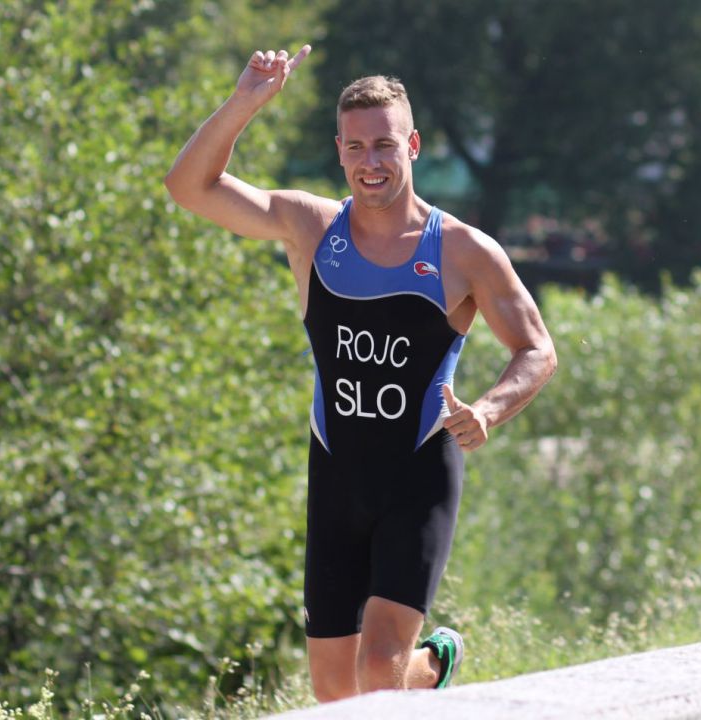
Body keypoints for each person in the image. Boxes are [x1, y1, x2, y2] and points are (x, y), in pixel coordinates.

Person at [164, 44, 557, 702]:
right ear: (339, 150)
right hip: (336, 474)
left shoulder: (461, 250)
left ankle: (421, 666)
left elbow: (536, 349)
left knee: (377, 669)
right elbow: (188, 187)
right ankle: (430, 668)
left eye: (383, 146)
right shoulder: (309, 227)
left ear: (412, 146)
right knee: (332, 694)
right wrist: (244, 104)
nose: (369, 163)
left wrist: (488, 410)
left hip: (418, 472)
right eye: (355, 148)